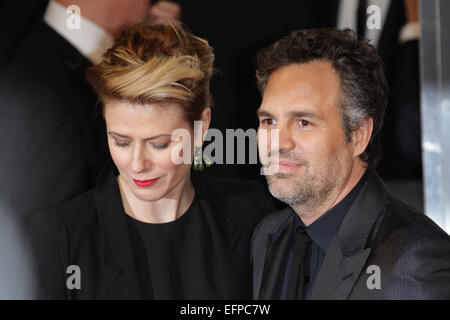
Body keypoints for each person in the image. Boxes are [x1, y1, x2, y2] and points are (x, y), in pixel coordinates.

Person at [29, 22, 275, 300]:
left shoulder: (250, 210)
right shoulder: (63, 236)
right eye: (121, 142)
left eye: (159, 144)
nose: (136, 164)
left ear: (201, 126)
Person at [251, 28, 450, 300]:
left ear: (358, 135)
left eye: (304, 122)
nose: (278, 143)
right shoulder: (269, 235)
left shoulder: (417, 261)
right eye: (269, 121)